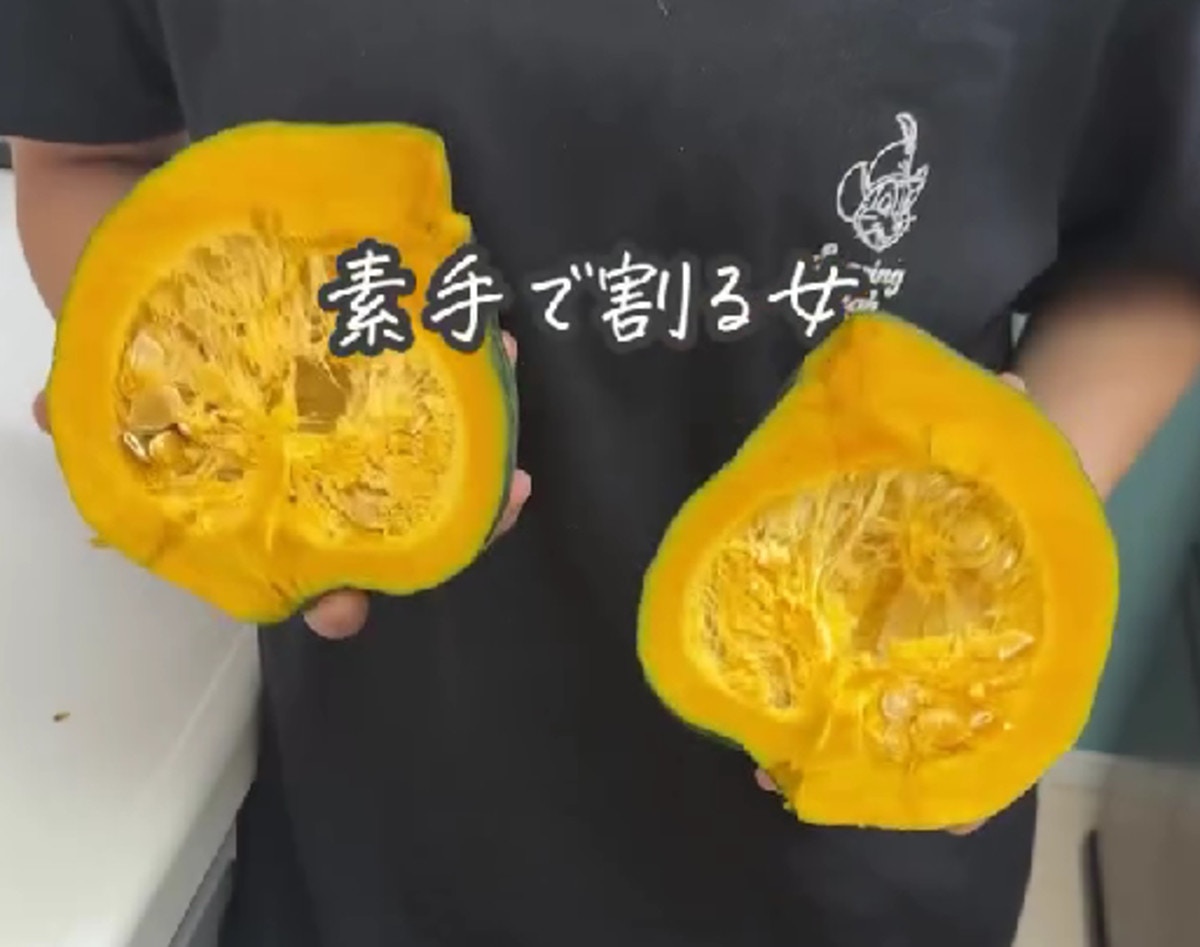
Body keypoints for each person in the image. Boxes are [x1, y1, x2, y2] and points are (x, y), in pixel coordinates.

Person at [4, 1, 1200, 945]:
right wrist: (185, 394)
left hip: (861, 845)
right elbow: (82, 152)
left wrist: (999, 520)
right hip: (385, 820)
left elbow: (1160, 253)